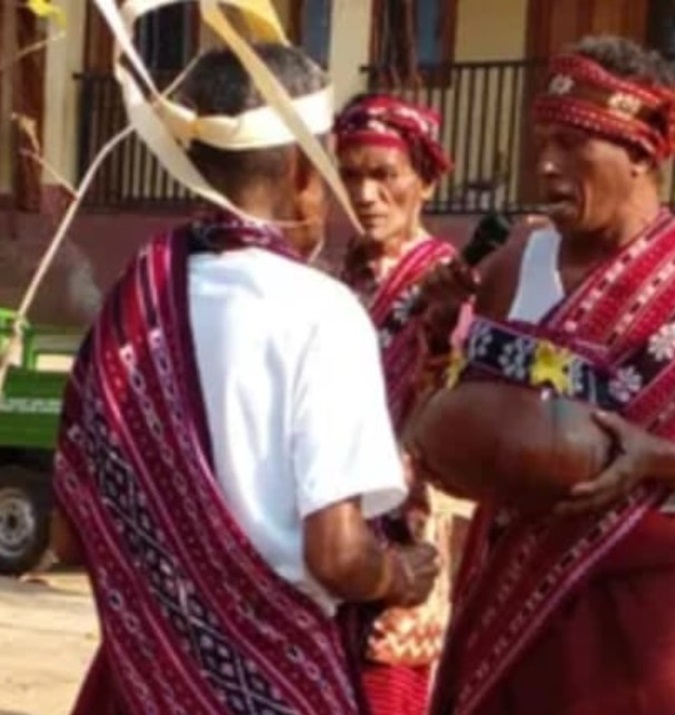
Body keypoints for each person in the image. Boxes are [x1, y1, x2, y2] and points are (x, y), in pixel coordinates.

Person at [417, 36, 675, 715]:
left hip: (641, 614)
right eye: (541, 142)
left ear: (639, 152)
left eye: (573, 144)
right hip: (507, 589)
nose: (546, 165)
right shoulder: (516, 262)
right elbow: (461, 416)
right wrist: (438, 336)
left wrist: (654, 457)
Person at [50, 43, 440, 715]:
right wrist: (399, 574)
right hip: (277, 684)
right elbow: (337, 553)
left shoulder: (130, 307)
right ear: (299, 171)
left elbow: (67, 534)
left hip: (143, 682)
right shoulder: (321, 311)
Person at [332, 93, 458, 715]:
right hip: (328, 518)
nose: (365, 194)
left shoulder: (449, 282)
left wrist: (441, 333)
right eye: (351, 176)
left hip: (402, 521)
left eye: (384, 176)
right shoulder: (340, 277)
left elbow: (453, 402)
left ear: (425, 181)